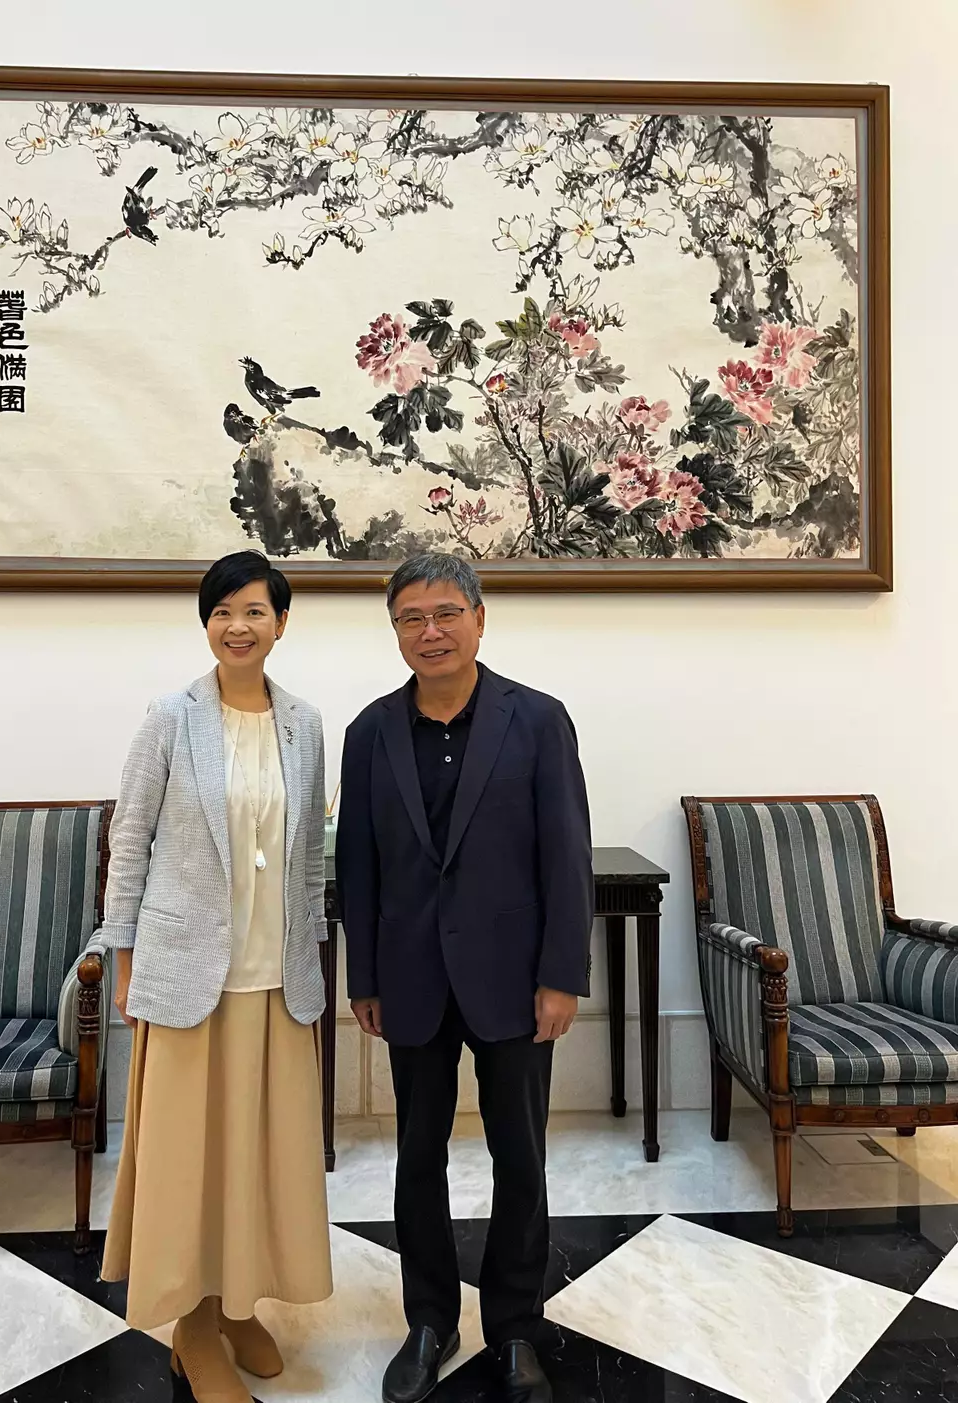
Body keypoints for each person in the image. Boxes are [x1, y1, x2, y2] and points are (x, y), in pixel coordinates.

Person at [336, 552, 593, 1403]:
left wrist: (561, 975)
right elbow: (359, 865)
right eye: (411, 617)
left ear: (480, 619)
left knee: (521, 1156)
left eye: (446, 612)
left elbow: (566, 855)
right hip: (410, 977)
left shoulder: (539, 719)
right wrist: (364, 976)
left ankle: (515, 1327)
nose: (430, 631)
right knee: (418, 1156)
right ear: (395, 631)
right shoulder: (370, 732)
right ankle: (430, 1320)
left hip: (514, 980)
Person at [100, 550, 333, 1403]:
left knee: (259, 1156)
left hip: (277, 980)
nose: (238, 625)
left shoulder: (306, 723)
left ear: (281, 622)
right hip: (186, 976)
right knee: (188, 1162)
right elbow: (130, 842)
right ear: (207, 623)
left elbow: (309, 858)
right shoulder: (171, 717)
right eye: (222, 611)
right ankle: (192, 1325)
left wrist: (313, 952)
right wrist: (124, 961)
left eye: (255, 610)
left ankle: (238, 1304)